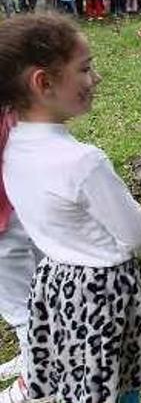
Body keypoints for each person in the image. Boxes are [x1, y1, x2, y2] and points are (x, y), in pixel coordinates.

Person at [0, 13, 141, 403]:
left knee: (78, 375)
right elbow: (136, 241)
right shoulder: (84, 161)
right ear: (43, 83)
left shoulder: (11, 150)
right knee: (115, 377)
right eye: (85, 68)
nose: (95, 79)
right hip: (104, 293)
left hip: (57, 284)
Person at [0, 108, 41, 403]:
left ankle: (37, 377)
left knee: (24, 309)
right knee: (35, 299)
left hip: (10, 214)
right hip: (19, 203)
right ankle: (34, 358)